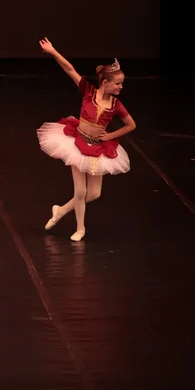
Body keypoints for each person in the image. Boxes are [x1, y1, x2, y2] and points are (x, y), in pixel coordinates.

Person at [37, 38, 135, 241]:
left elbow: (131, 125)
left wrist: (110, 136)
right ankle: (80, 228)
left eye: (122, 84)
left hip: (97, 147)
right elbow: (70, 69)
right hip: (77, 143)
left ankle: (60, 210)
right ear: (105, 83)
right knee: (80, 191)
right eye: (118, 84)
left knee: (95, 194)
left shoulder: (116, 105)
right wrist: (53, 51)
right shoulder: (88, 91)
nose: (121, 87)